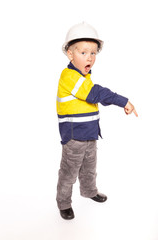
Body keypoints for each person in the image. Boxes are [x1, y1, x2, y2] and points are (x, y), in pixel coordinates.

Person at [56, 22, 138, 220]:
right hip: (75, 137)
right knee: (69, 172)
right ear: (70, 53)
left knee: (90, 168)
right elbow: (96, 94)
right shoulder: (69, 77)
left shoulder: (84, 77)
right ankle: (64, 203)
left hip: (90, 134)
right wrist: (122, 101)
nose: (90, 58)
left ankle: (89, 191)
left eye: (93, 53)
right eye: (83, 52)